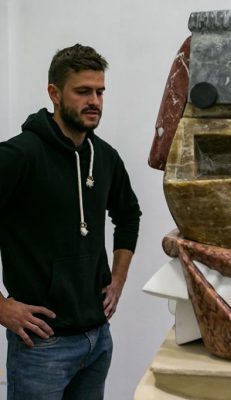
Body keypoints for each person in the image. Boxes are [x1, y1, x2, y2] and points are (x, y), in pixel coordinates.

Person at [0, 44, 141, 399]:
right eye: (83, 91)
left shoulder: (105, 157)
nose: (94, 101)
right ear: (55, 93)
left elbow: (128, 215)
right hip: (41, 347)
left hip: (97, 340)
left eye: (100, 92)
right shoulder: (19, 155)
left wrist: (118, 279)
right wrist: (1, 307)